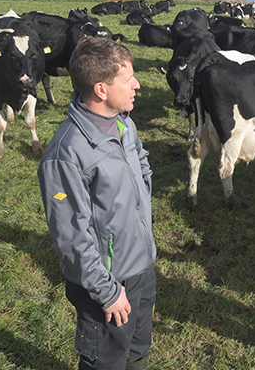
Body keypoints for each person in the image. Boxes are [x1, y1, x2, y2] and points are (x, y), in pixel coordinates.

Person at [38, 36, 156, 370]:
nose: (137, 84)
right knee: (106, 362)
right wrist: (107, 291)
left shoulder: (123, 122)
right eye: (128, 79)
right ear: (101, 90)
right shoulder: (66, 155)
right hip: (107, 284)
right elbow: (71, 237)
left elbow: (141, 163)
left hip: (142, 267)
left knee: (137, 352)